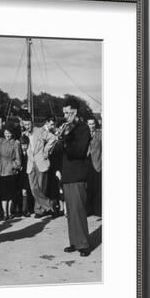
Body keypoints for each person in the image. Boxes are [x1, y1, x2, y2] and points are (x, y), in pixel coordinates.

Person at [59, 98, 92, 257]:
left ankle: (84, 244)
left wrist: (65, 140)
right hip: (67, 174)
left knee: (78, 210)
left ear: (75, 112)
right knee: (70, 212)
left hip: (78, 175)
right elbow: (62, 153)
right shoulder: (68, 128)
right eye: (64, 113)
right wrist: (60, 139)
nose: (65, 116)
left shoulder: (83, 128)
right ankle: (74, 241)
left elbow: (78, 152)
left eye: (68, 113)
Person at [23, 115, 58, 218]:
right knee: (34, 188)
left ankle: (39, 210)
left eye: (28, 124)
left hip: (41, 162)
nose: (27, 126)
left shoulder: (39, 131)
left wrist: (46, 151)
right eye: (25, 125)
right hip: (30, 164)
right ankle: (50, 206)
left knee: (41, 187)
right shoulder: (24, 134)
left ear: (32, 123)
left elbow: (53, 138)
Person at [0, 123, 22, 220]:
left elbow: (18, 159)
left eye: (9, 133)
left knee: (10, 194)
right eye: (6, 133)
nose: (7, 135)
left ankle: (9, 212)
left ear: (12, 133)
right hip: (0, 170)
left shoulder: (15, 144)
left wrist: (13, 166)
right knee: (3, 194)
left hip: (10, 171)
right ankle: (5, 213)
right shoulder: (0, 141)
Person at [86, 117, 102, 216]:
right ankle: (88, 210)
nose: (91, 126)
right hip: (87, 163)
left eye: (93, 124)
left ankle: (98, 210)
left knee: (97, 187)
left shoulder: (100, 134)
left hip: (97, 163)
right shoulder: (84, 134)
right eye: (89, 124)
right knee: (88, 187)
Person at [18, 135, 34, 217]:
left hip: (27, 174)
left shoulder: (29, 153)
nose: (23, 146)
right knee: (23, 192)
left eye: (25, 144)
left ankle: (26, 209)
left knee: (26, 192)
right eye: (22, 145)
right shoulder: (19, 153)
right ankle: (23, 209)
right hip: (21, 175)